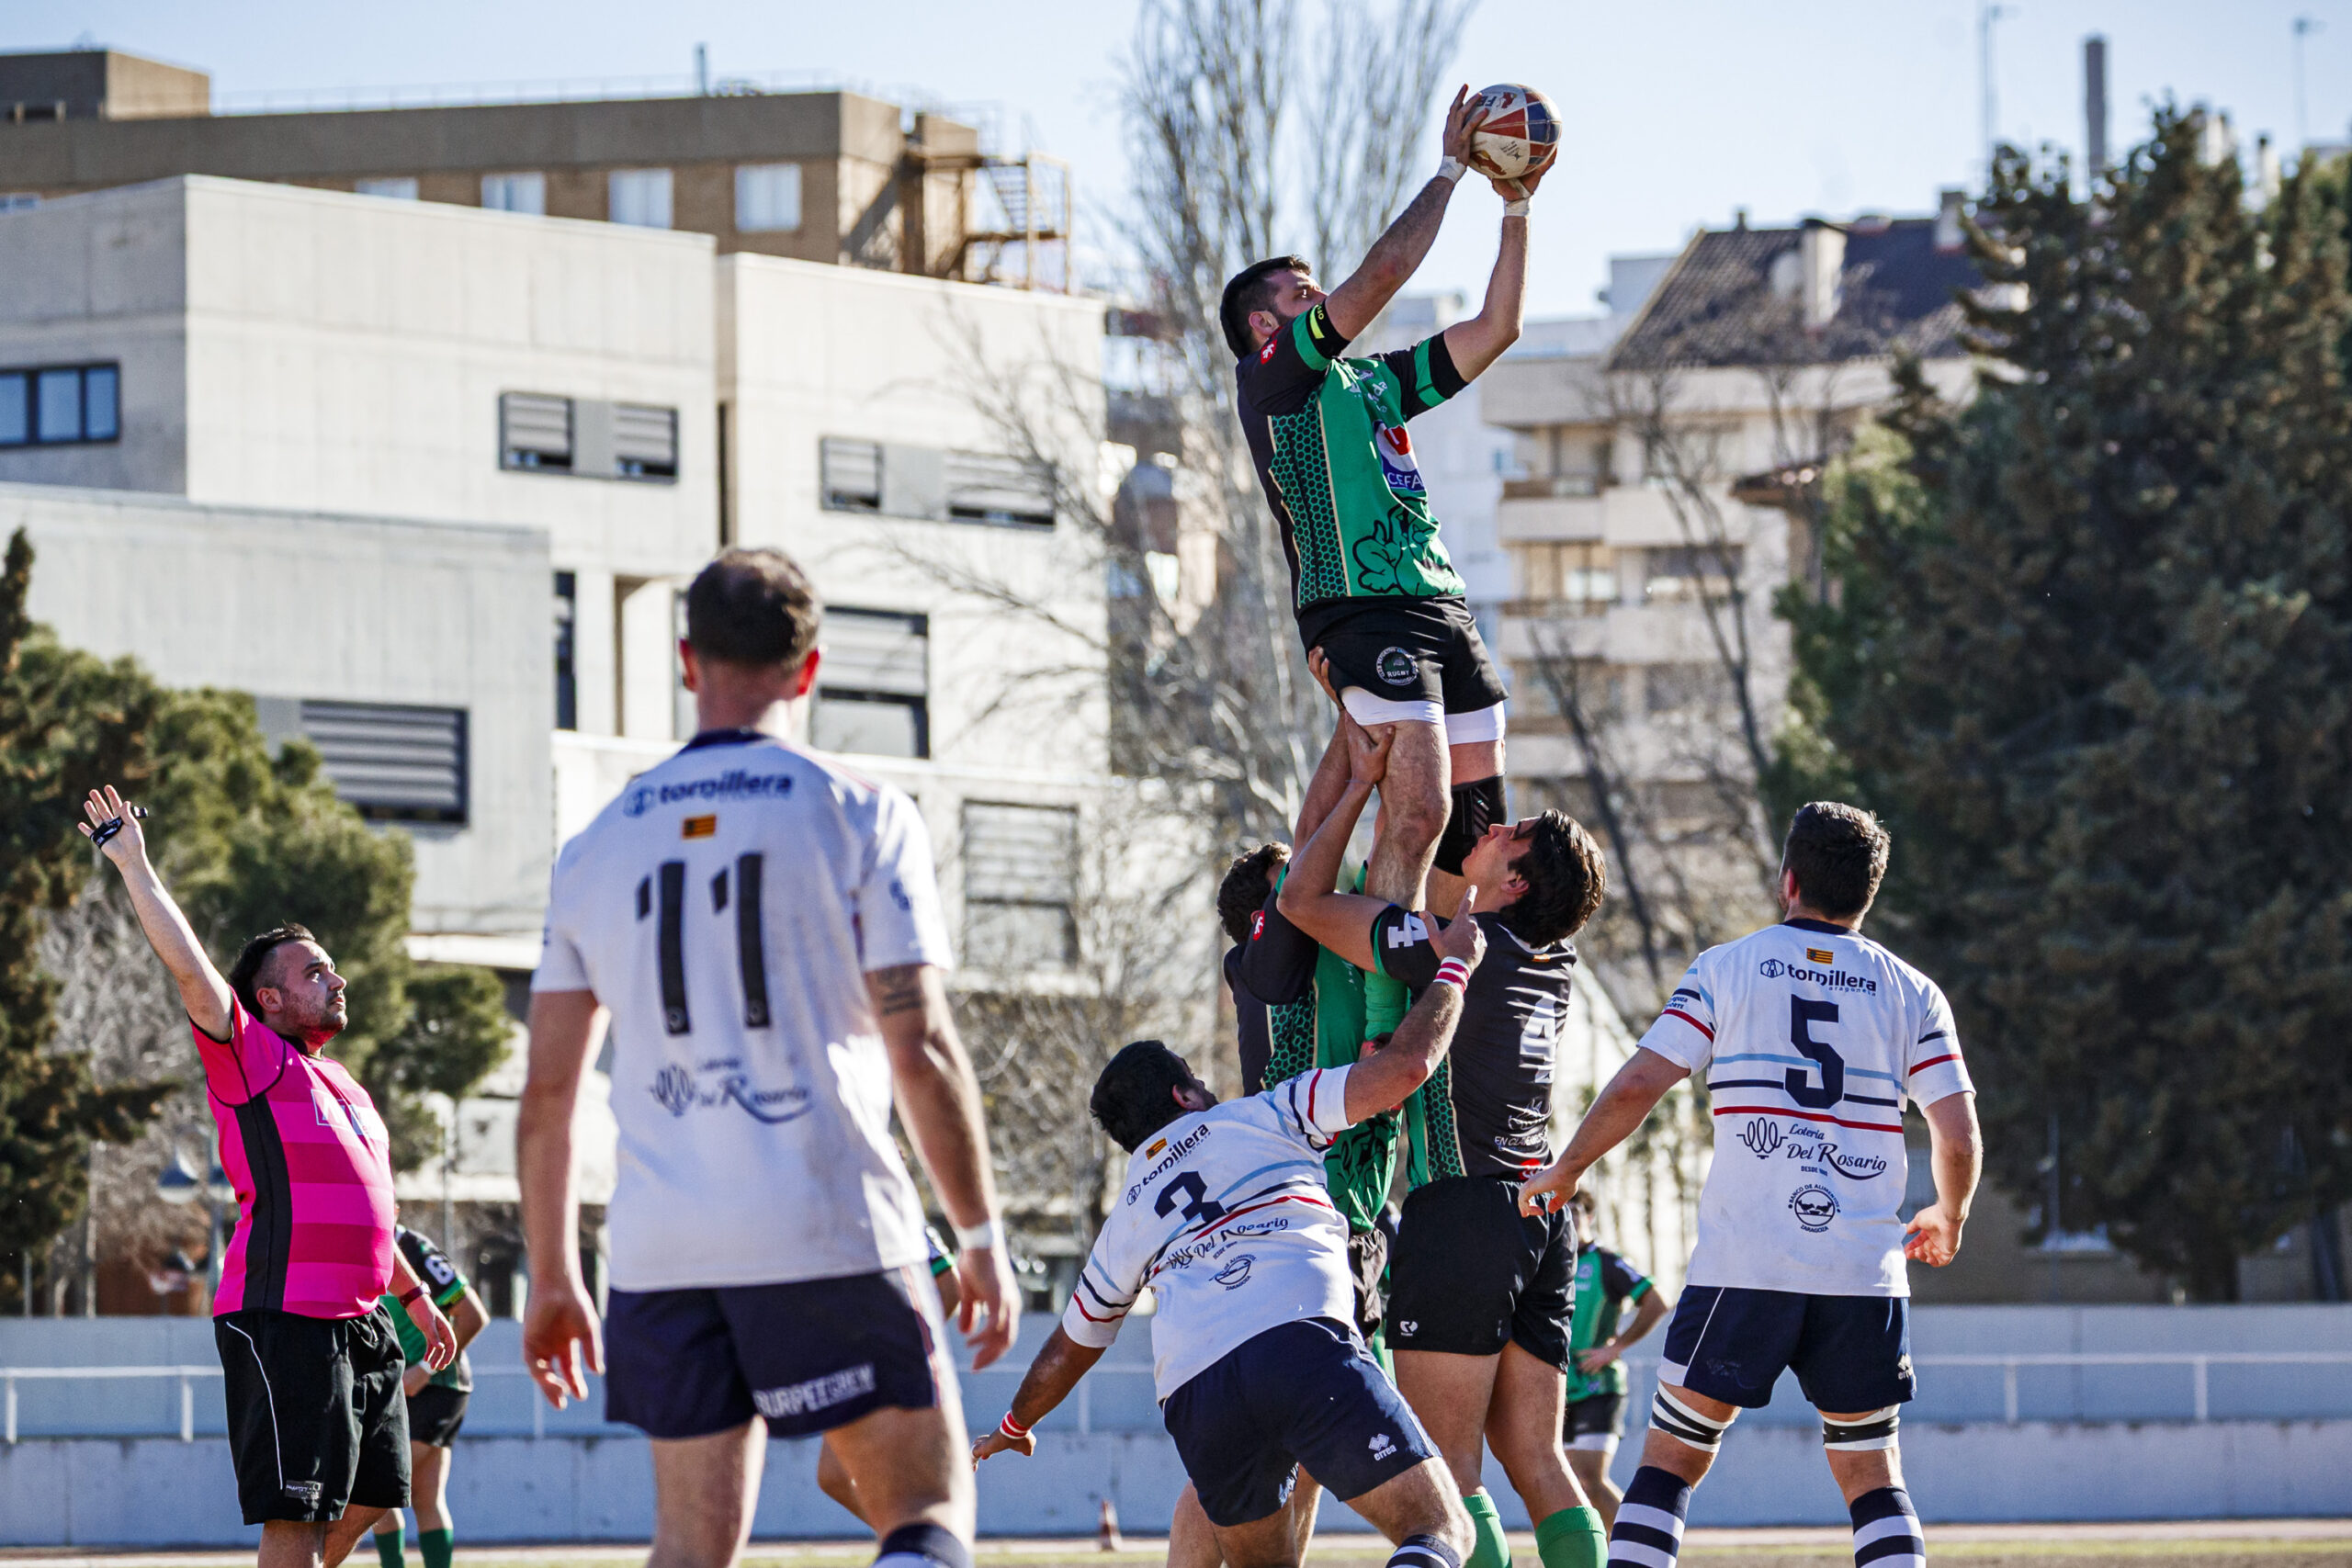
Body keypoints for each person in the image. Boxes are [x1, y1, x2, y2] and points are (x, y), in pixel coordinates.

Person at [517, 547, 1020, 1568]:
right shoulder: (860, 811)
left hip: (660, 1252)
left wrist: (553, 1276)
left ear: (684, 661)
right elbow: (917, 1043)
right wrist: (978, 1233)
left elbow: (549, 1098)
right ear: (810, 667)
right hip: (821, 1220)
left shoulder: (595, 845)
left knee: (690, 1550)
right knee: (926, 1513)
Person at [1517, 803, 1984, 1568]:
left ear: (1787, 880)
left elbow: (1640, 1083)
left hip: (1745, 1267)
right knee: (1872, 1473)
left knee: (1670, 1463)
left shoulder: (1726, 967)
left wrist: (1569, 1166)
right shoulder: (1915, 993)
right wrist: (1950, 1214)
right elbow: (1958, 1135)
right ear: (1868, 894)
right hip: (1861, 1272)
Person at [973, 895, 1487, 1568]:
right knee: (1441, 1527)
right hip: (1298, 1338)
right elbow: (1406, 1071)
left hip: (1197, 1390)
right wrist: (1456, 969)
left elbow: (1071, 1347)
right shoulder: (1265, 1113)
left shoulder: (1126, 1211)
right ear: (1185, 1093)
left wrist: (1015, 1423)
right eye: (1196, 1078)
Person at [1223, 86, 1542, 1043]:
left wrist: (1517, 204)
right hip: (1359, 613)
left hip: (1443, 609)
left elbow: (1496, 331)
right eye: (1297, 292)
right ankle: (1377, 1024)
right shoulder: (1277, 380)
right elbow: (1382, 275)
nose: (1317, 294)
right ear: (1264, 330)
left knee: (1475, 824)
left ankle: (1426, 989)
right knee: (1419, 806)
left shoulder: (1370, 382)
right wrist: (1450, 170)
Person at [80, 785, 456, 1568]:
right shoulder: (253, 1058)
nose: (338, 979)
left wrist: (416, 1297)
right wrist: (134, 864)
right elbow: (189, 968)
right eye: (317, 971)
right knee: (294, 1517)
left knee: (379, 1493)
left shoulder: (348, 1085)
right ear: (270, 998)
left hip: (366, 1323)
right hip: (283, 1316)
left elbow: (371, 1220)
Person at [1277, 716, 1612, 1568]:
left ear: (1515, 880)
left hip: (1462, 1214)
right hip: (1544, 1217)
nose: (1490, 828)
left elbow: (1302, 903)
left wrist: (1358, 784)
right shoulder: (1554, 957)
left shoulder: (1460, 950)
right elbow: (1476, 871)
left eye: (1510, 834)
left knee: (1450, 1477)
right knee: (1539, 1462)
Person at [814, 1229, 962, 1528]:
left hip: (888, 1363)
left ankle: (922, 1549)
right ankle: (915, 1548)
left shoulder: (885, 1202)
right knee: (834, 1477)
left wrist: (899, 1353)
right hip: (849, 1362)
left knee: (856, 1476)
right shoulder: (815, 1211)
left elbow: (950, 1287)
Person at [372, 1226, 491, 1568]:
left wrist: (426, 1368)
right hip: (407, 1388)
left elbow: (471, 1315)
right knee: (426, 1498)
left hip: (434, 1387)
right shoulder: (364, 1243)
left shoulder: (414, 1249)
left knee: (377, 1489)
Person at [1556, 1194, 1668, 1531]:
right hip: (1557, 1389)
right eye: (1562, 1211)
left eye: (1576, 1210)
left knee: (1588, 1479)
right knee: (1564, 1485)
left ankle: (1640, 1548)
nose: (1570, 1217)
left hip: (1598, 1386)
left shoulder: (1605, 1262)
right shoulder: (1550, 1263)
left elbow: (1656, 1302)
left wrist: (1614, 1348)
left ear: (1589, 1216)